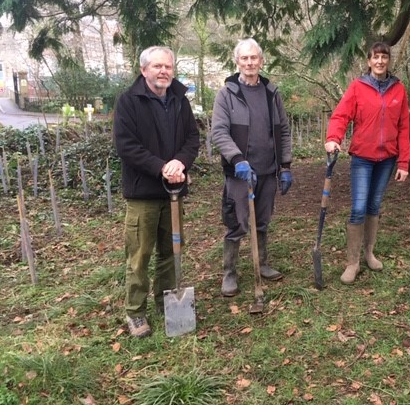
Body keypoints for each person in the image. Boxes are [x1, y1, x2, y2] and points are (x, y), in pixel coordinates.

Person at [113, 46, 200, 337]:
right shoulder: (129, 102)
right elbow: (126, 146)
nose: (163, 71)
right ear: (144, 70)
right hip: (143, 194)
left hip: (173, 190)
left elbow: (192, 138)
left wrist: (180, 162)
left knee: (171, 250)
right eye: (157, 66)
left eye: (168, 66)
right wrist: (161, 166)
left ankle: (167, 301)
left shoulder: (179, 100)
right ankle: (135, 312)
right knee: (139, 256)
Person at [211, 38, 293, 297]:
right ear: (237, 62)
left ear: (261, 61)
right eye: (244, 58)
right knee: (237, 223)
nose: (249, 63)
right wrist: (237, 159)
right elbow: (219, 132)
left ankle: (262, 263)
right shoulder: (227, 93)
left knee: (263, 222)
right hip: (239, 173)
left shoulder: (272, 93)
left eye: (254, 58)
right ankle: (229, 273)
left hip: (268, 171)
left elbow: (283, 131)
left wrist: (286, 165)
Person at [324, 42, 410, 285]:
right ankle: (352, 262)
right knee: (359, 207)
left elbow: (404, 127)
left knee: (374, 205)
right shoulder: (358, 87)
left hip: (387, 159)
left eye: (384, 57)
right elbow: (341, 115)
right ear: (369, 61)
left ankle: (369, 253)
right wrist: (333, 139)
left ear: (389, 61)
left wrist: (403, 162)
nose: (380, 61)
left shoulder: (399, 90)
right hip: (362, 157)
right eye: (376, 57)